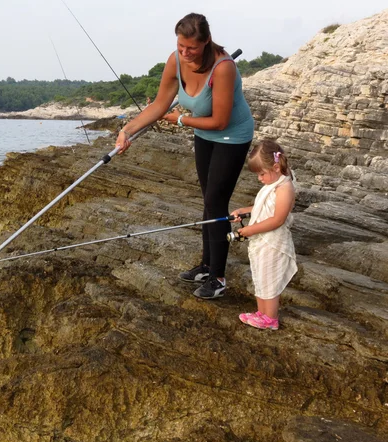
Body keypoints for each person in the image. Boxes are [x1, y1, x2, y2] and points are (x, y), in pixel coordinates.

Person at [115, 12, 254, 299]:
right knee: (208, 199)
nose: (184, 52)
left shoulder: (223, 67)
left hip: (232, 135)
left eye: (190, 47)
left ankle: (218, 277)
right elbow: (159, 105)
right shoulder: (176, 60)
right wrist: (127, 129)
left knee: (216, 201)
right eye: (180, 46)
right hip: (204, 134)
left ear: (205, 42)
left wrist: (180, 120)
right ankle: (206, 265)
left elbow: (220, 121)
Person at [229, 140, 297, 330]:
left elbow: (277, 219)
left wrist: (250, 229)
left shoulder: (284, 188)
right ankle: (261, 313)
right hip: (262, 240)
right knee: (260, 275)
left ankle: (271, 319)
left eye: (261, 174)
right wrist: (244, 211)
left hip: (273, 241)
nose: (259, 178)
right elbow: (263, 208)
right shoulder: (273, 182)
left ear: (276, 166)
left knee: (270, 278)